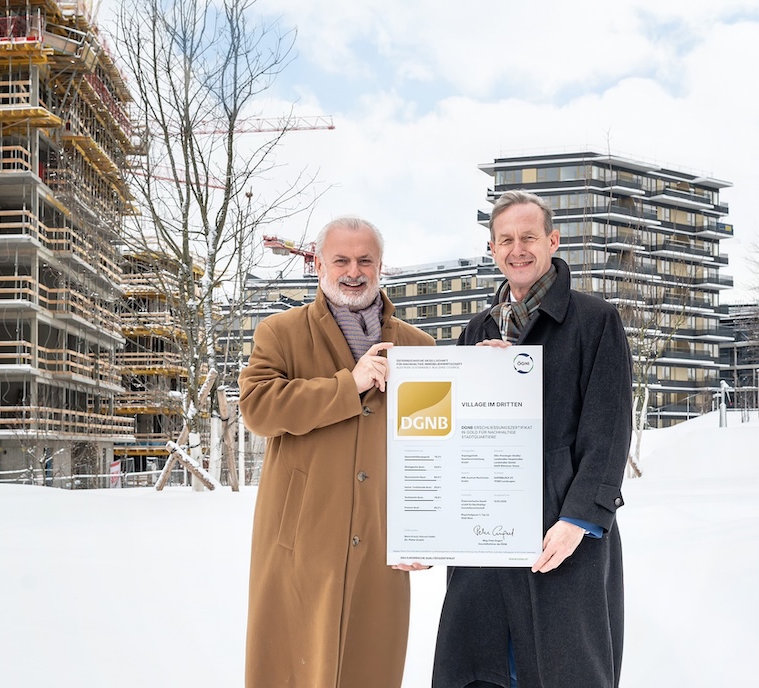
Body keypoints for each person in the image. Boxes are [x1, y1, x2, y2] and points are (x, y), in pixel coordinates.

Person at [432, 190, 632, 688]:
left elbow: (608, 433)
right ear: (493, 249)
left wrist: (577, 521)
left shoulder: (595, 321)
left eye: (528, 237)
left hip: (561, 533)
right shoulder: (475, 330)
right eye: (505, 240)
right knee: (482, 668)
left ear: (552, 240)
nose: (517, 249)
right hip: (486, 536)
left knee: (566, 668)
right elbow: (453, 435)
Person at [239, 216, 434, 688]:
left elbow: (437, 443)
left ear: (381, 266)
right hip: (301, 542)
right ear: (319, 265)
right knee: (292, 668)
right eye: (341, 260)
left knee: (372, 668)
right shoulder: (279, 332)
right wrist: (350, 385)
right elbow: (258, 408)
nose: (353, 271)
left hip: (382, 546)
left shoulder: (419, 346)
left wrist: (428, 531)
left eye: (365, 260)